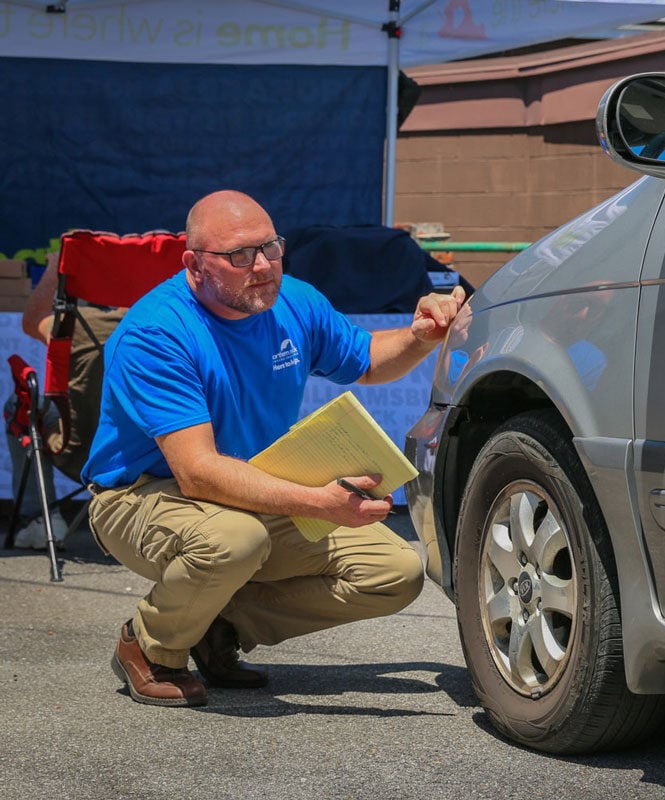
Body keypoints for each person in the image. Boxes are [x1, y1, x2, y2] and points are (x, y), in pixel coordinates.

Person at [82, 189, 466, 708]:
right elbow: (198, 473)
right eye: (240, 255)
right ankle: (149, 647)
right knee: (234, 539)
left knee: (395, 573)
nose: (262, 266)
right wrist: (317, 503)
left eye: (271, 247)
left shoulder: (295, 301)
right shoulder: (156, 333)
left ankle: (216, 624)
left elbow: (370, 362)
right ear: (194, 264)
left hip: (251, 482)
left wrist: (421, 336)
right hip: (141, 494)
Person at [4, 251, 124, 549]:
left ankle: (40, 519)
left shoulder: (75, 327)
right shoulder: (167, 327)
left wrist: (55, 265)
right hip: (145, 451)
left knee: (19, 406)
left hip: (77, 448)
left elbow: (32, 320)